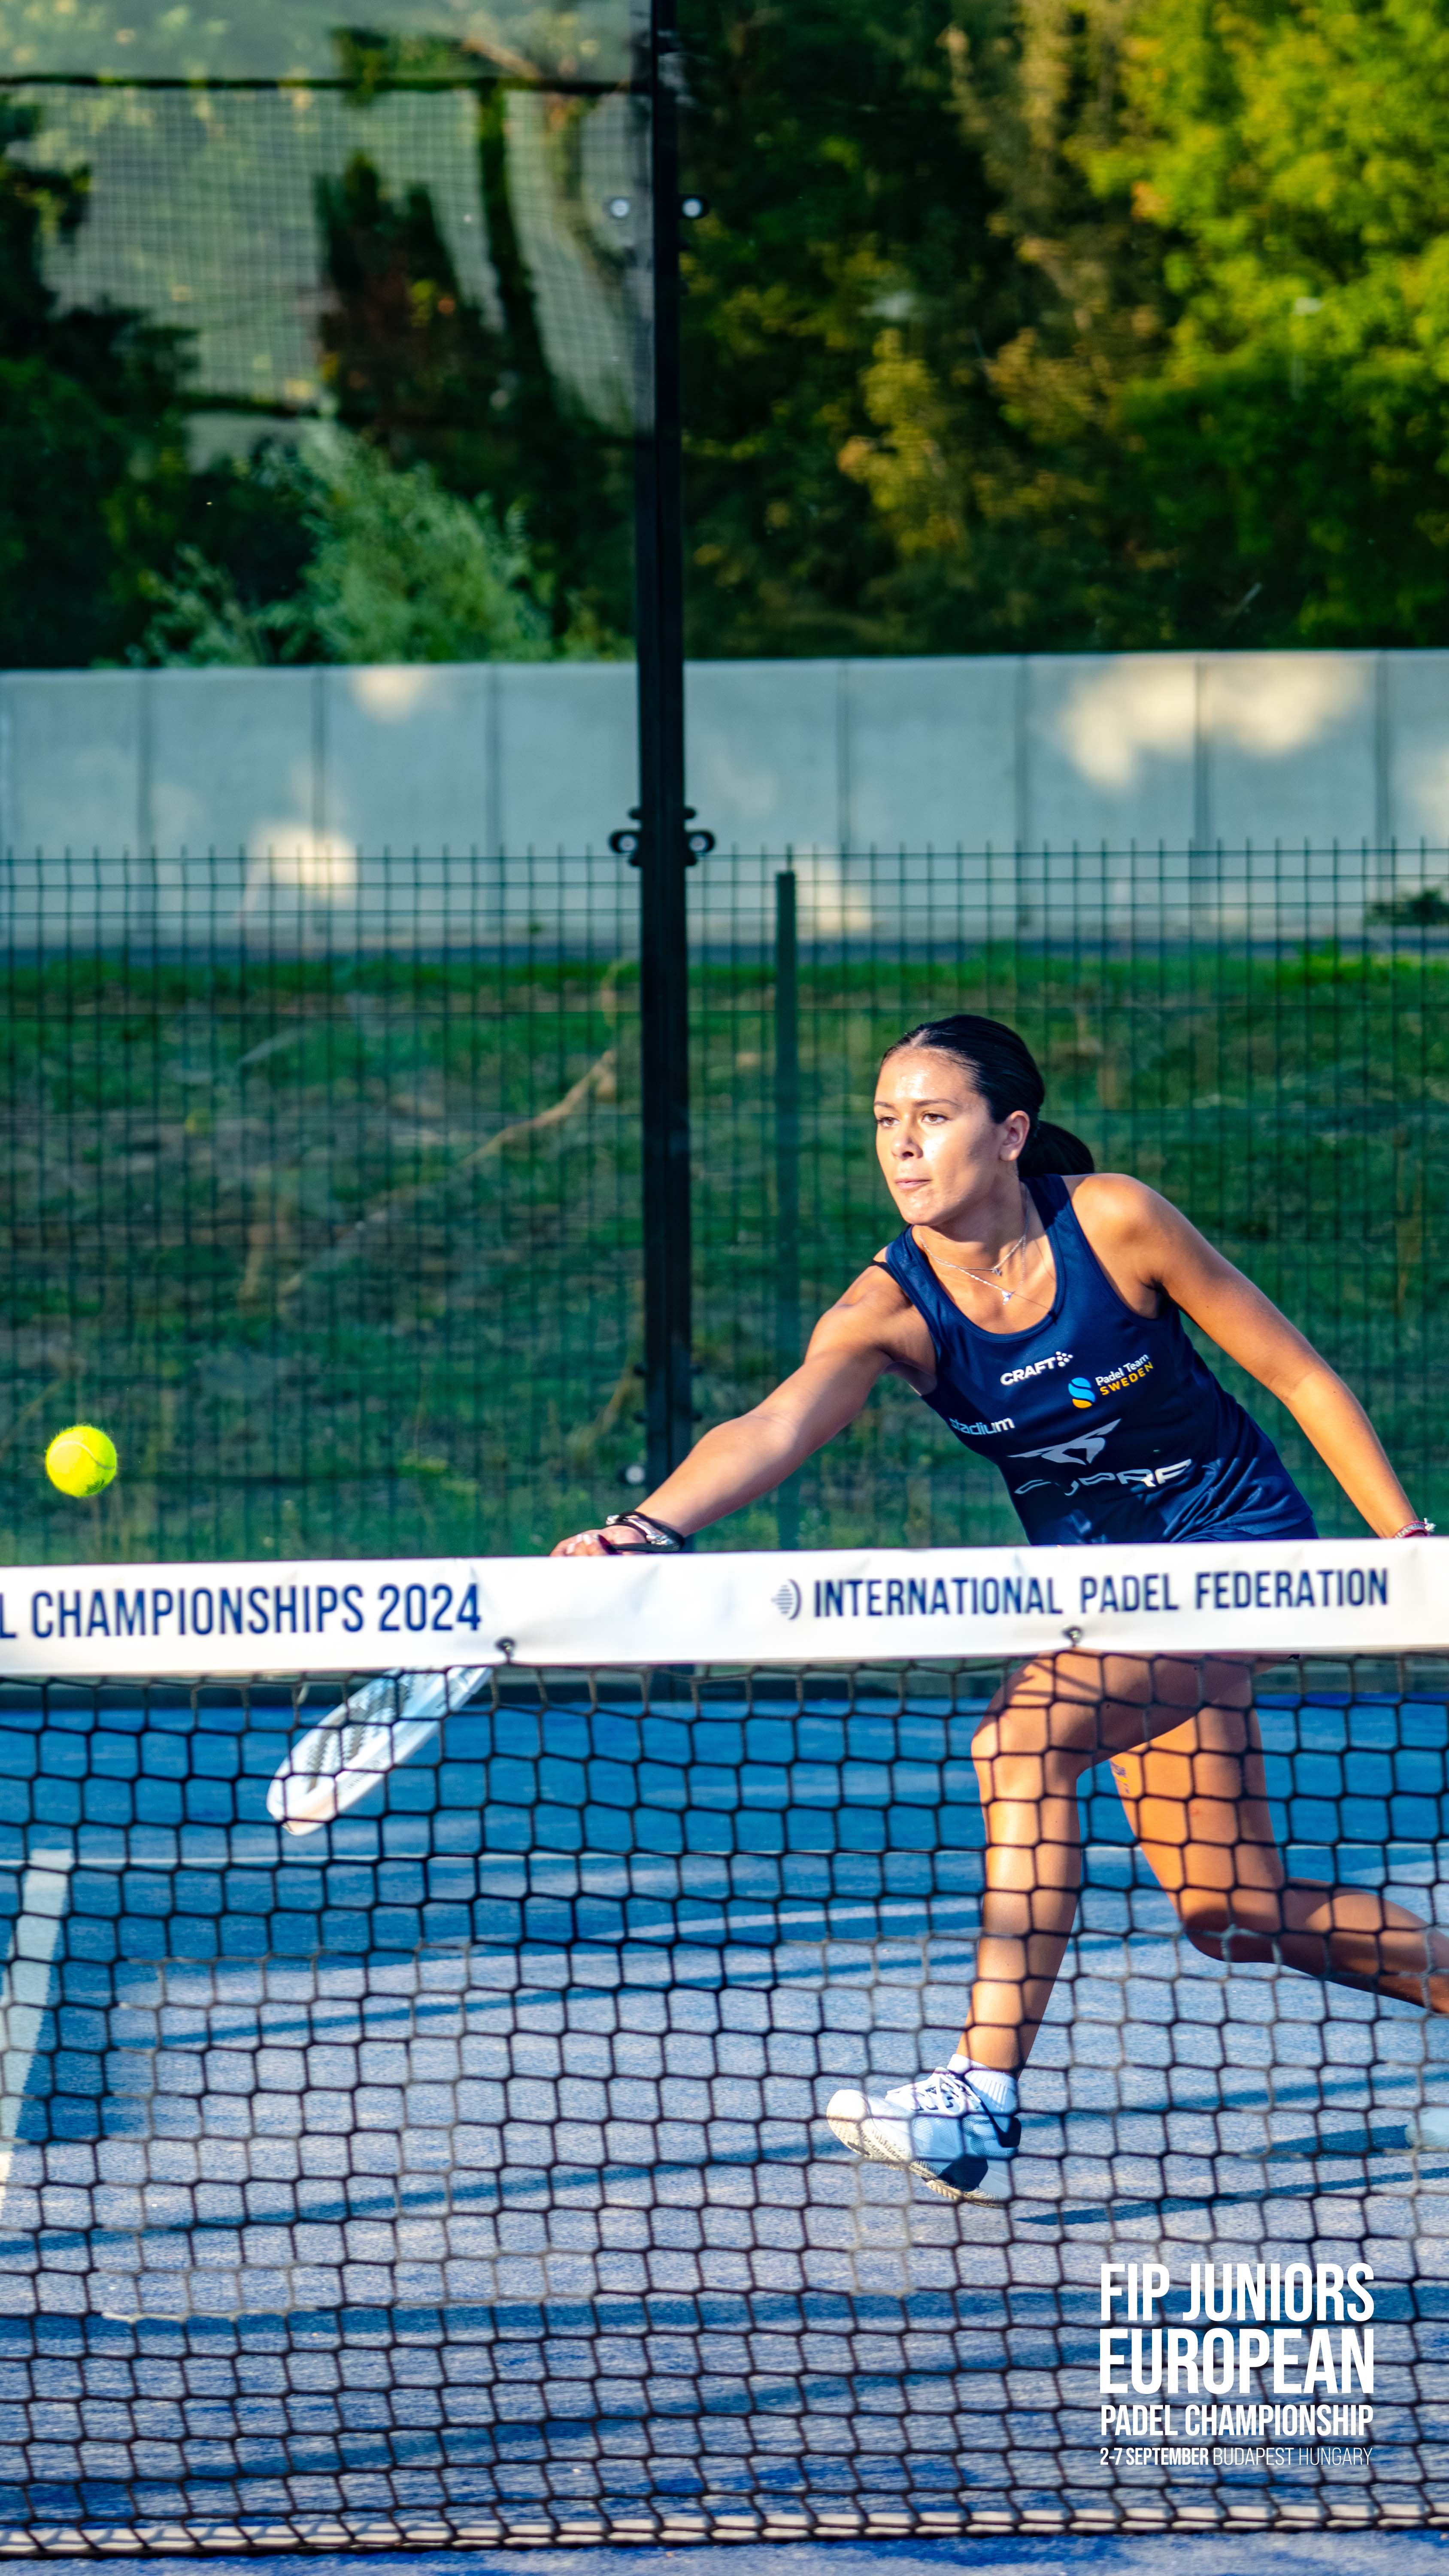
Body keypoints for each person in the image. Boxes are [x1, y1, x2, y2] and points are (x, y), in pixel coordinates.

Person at [554, 1012, 1441, 2199]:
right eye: (886, 1121)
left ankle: (978, 2093)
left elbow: (1294, 1371)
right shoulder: (889, 1308)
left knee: (1020, 1743)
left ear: (1010, 1132)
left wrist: (1406, 1549)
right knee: (1234, 1910)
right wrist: (646, 1528)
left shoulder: (1112, 1221)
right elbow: (774, 1424)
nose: (902, 1145)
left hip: (1242, 1560)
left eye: (934, 1117)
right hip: (1104, 1606)